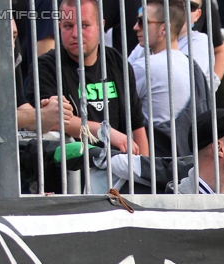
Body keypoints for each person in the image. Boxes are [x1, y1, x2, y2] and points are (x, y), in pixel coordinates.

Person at [28, 0, 149, 156]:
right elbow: (51, 120)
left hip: (118, 170)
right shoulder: (46, 66)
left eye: (84, 25)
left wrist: (144, 170)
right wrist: (104, 131)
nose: (76, 34)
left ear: (100, 25)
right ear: (59, 26)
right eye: (68, 26)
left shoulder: (116, 62)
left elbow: (136, 124)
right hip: (71, 170)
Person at [129, 0, 193, 134]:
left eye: (142, 22)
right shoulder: (192, 66)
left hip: (153, 150)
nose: (136, 27)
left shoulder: (145, 67)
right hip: (186, 150)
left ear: (163, 28)